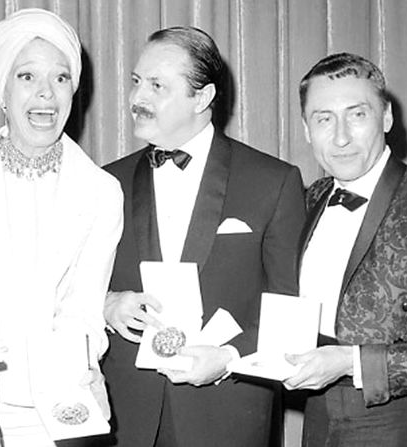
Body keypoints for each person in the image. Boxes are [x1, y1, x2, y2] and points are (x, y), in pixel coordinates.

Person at [101, 26, 306, 447]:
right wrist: (107, 304)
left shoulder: (273, 182)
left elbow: (291, 312)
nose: (138, 98)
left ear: (203, 97)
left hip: (226, 414)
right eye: (137, 82)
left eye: (158, 85)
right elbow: (69, 292)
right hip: (127, 418)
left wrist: (229, 358)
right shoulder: (105, 183)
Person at [0, 8, 123, 447]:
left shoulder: (101, 191)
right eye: (27, 77)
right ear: (2, 91)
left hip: (65, 401)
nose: (46, 95)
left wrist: (77, 382)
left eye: (60, 79)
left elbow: (84, 306)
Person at [284, 52, 407, 447]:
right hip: (317, 415)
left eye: (357, 115)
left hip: (402, 423)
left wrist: (350, 363)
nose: (340, 137)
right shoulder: (308, 198)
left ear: (385, 118)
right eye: (323, 119)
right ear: (306, 129)